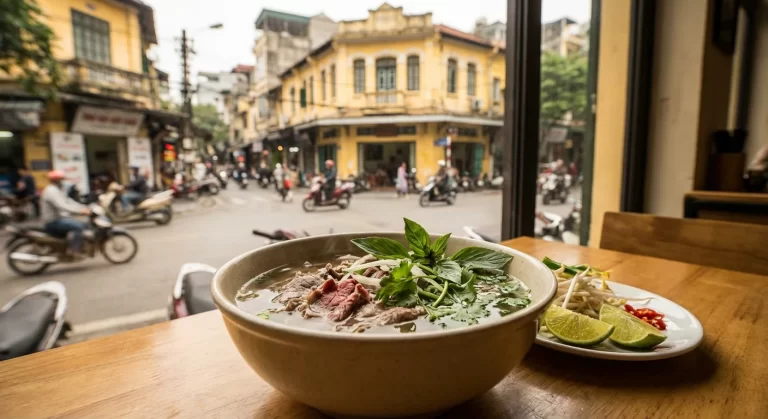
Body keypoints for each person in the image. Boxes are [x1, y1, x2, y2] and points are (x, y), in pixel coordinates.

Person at [41, 170, 90, 256]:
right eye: (61, 179)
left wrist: (84, 207)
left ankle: (69, 245)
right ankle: (73, 250)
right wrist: (80, 211)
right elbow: (62, 205)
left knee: (84, 224)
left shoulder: (58, 190)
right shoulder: (51, 191)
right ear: (56, 180)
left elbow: (69, 201)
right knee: (79, 227)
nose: (63, 181)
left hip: (61, 219)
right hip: (53, 221)